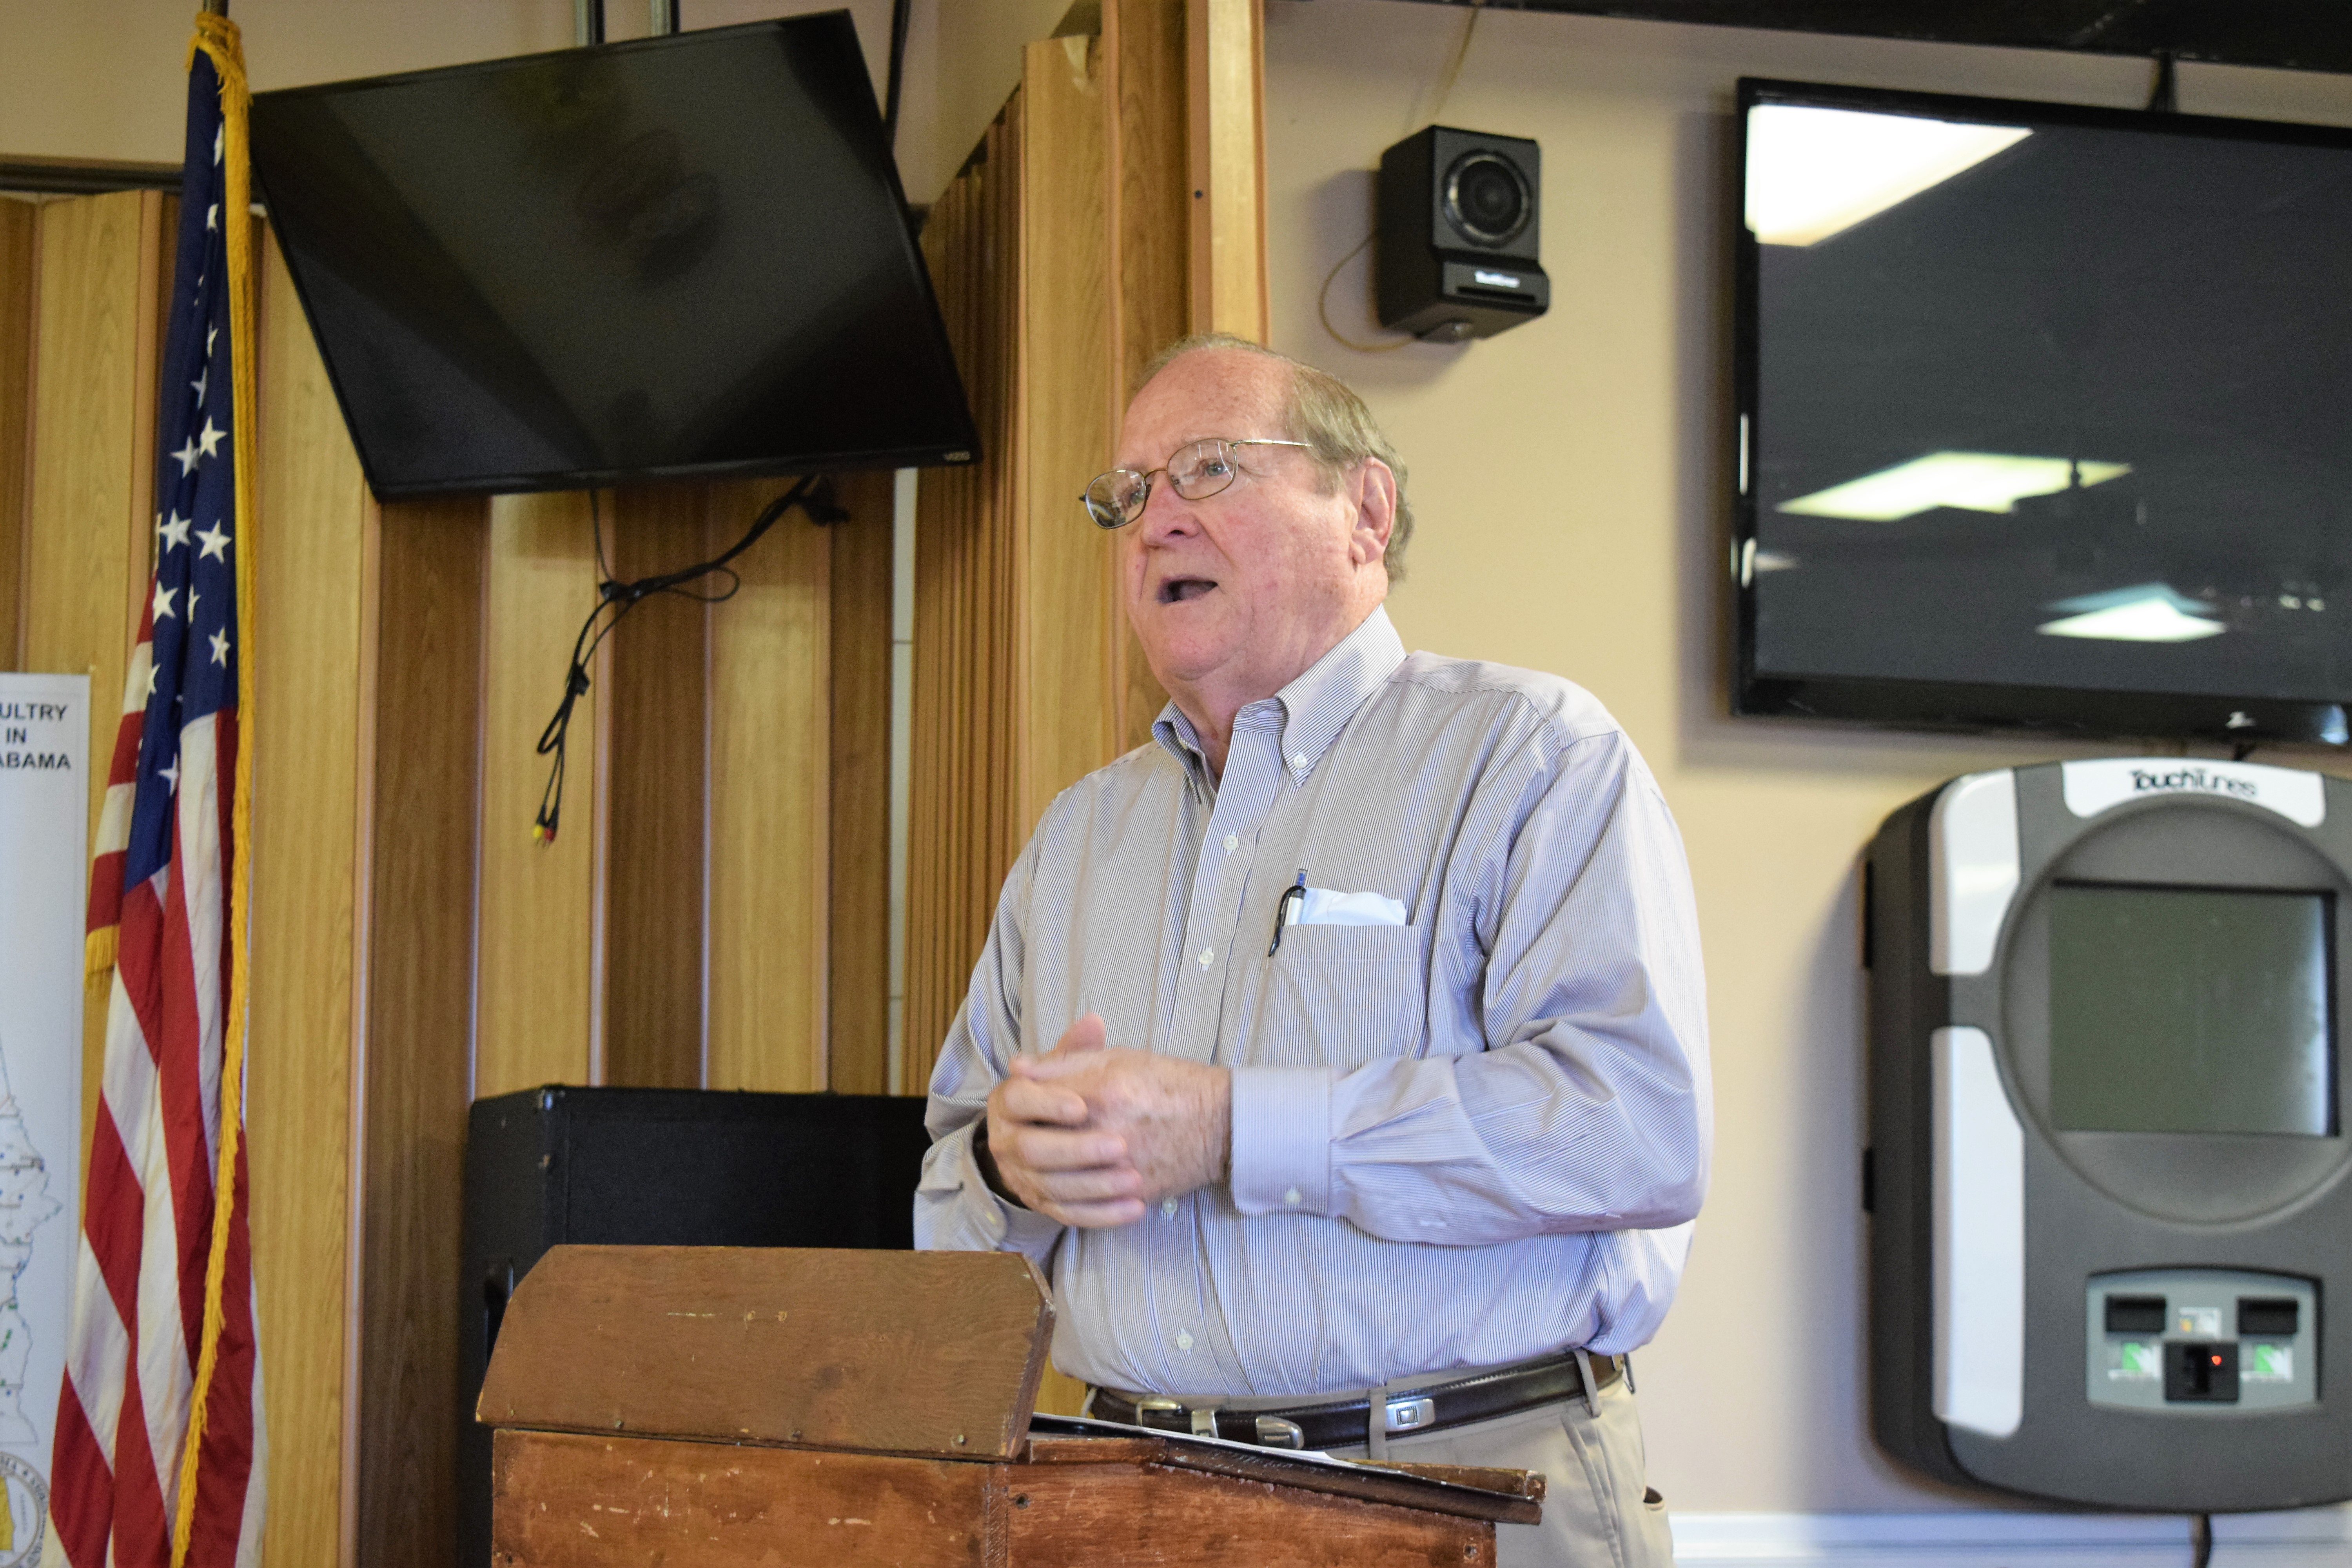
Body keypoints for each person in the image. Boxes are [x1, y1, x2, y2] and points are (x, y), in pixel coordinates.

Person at [915, 333, 1711, 1568]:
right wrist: (1014, 1172)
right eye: (1129, 495)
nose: (1155, 522)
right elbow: (952, 1205)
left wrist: (1238, 1129)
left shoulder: (1533, 756)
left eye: (1210, 469)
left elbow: (1633, 1128)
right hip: (1120, 1500)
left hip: (1460, 1496)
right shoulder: (1078, 837)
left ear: (1366, 510)